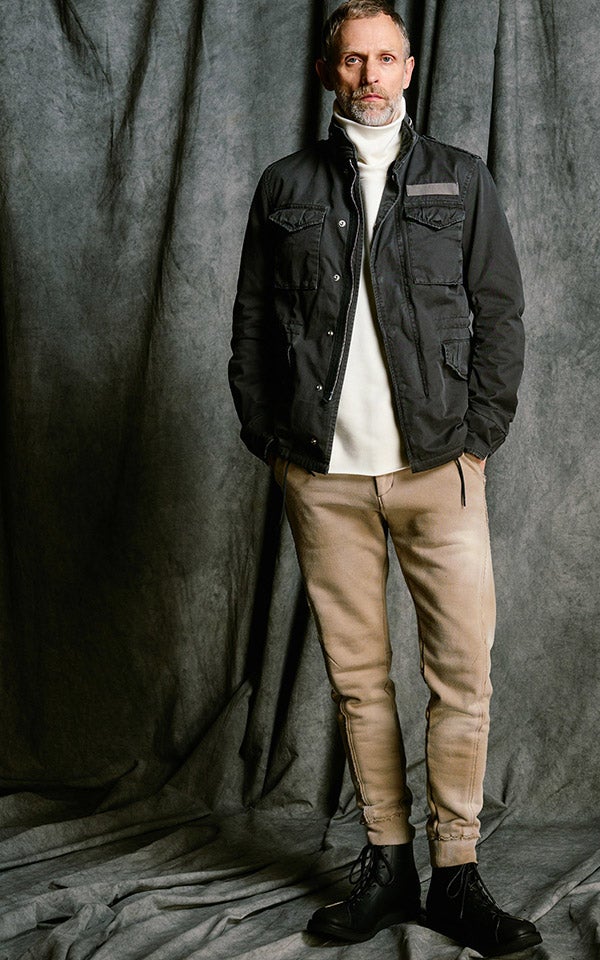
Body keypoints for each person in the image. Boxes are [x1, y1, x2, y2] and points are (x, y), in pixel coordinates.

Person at [229, 1, 541, 954]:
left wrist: (477, 440)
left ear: (409, 68)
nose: (371, 75)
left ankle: (456, 873)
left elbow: (501, 315)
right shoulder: (286, 185)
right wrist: (272, 441)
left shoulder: (461, 179)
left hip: (438, 468)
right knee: (360, 682)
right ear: (332, 71)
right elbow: (251, 321)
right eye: (354, 59)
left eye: (387, 58)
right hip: (323, 477)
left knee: (463, 678)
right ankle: (387, 863)